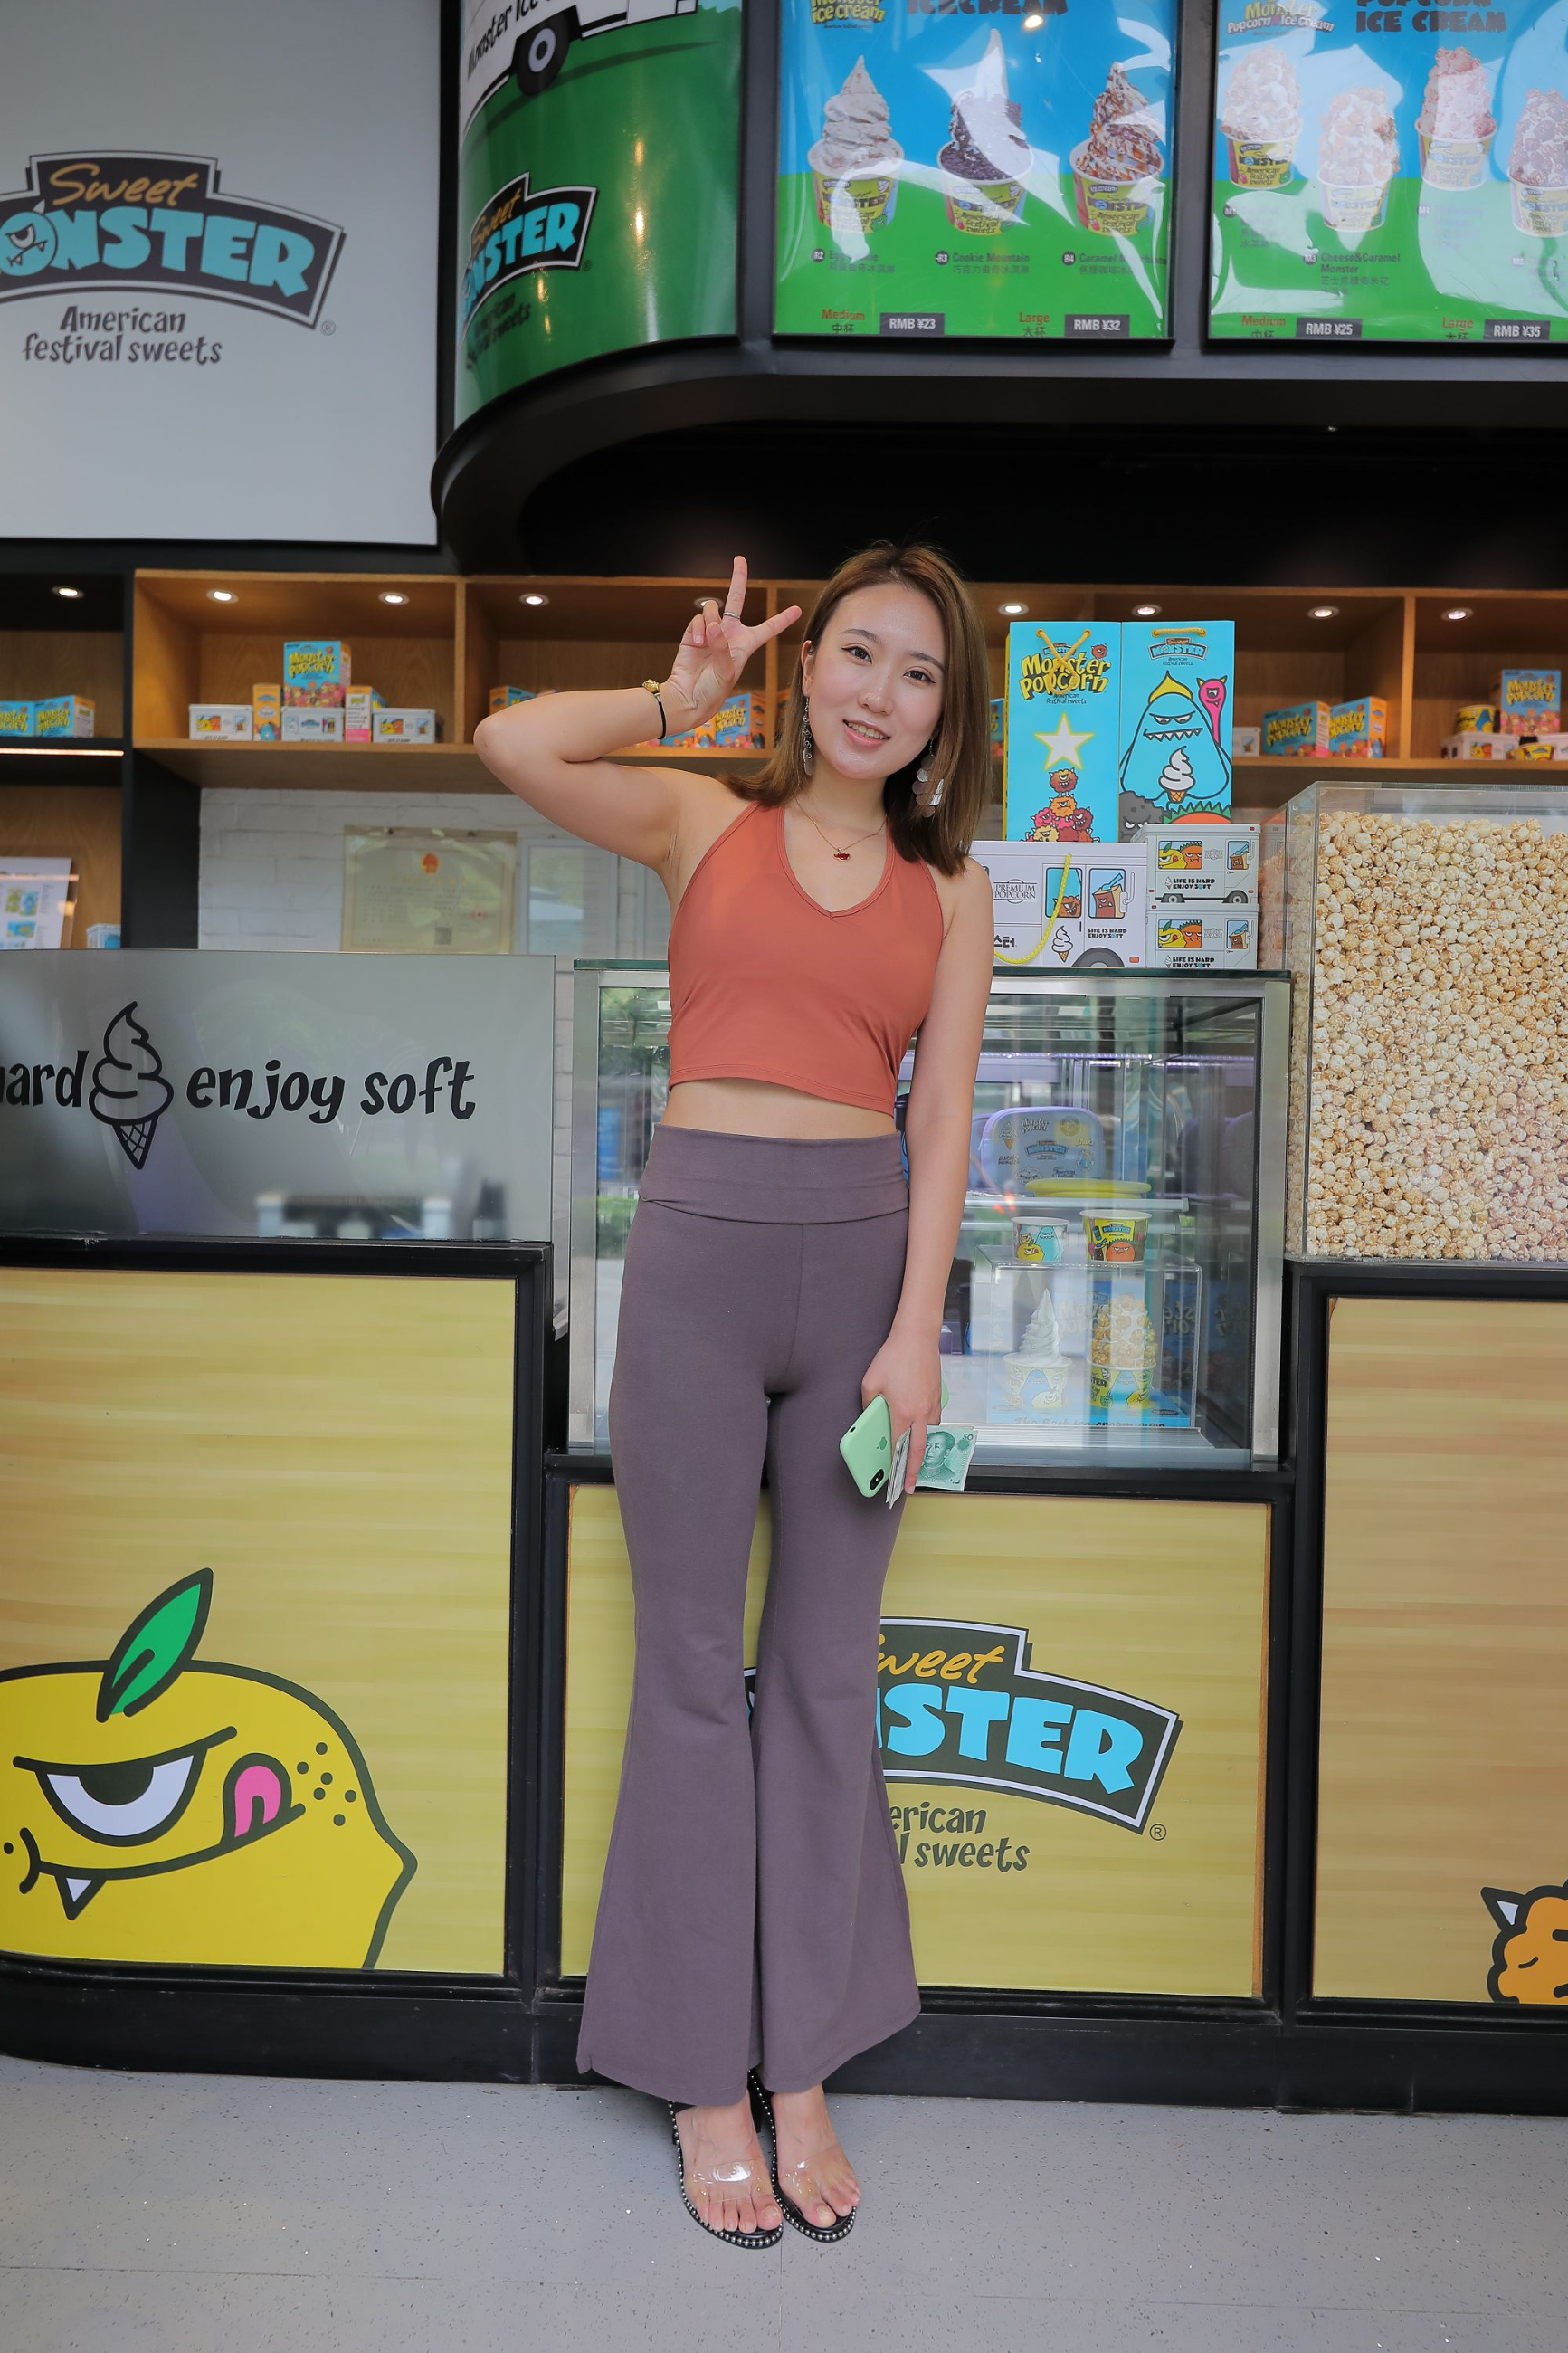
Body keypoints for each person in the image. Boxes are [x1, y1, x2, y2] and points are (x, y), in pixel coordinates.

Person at [474, 542, 994, 2247]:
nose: (877, 692)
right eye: (856, 652)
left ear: (946, 712)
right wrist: (669, 696)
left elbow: (941, 1121)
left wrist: (914, 1332)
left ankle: (807, 2065)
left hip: (859, 1279)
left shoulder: (955, 888)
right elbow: (510, 742)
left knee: (829, 1678)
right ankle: (704, 2078)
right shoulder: (702, 817)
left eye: (916, 671)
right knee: (694, 1673)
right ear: (806, 661)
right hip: (696, 1259)